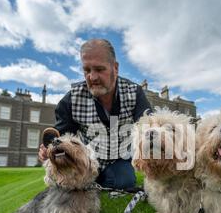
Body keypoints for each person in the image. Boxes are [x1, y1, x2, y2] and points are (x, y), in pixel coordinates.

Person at [38, 39, 151, 190]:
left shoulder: (134, 93)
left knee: (125, 181)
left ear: (115, 68)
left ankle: (98, 185)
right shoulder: (71, 99)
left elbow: (150, 126)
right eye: (87, 70)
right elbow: (60, 137)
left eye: (99, 69)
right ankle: (88, 182)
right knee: (68, 185)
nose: (92, 77)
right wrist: (49, 150)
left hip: (119, 160)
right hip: (86, 160)